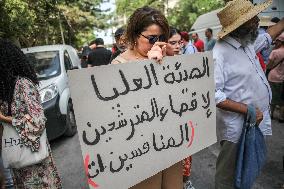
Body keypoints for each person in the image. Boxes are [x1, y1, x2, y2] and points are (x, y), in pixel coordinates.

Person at [214, 0, 284, 188]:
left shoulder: (246, 44)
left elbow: (269, 36)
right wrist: (248, 110)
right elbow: (214, 95)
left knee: (245, 170)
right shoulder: (220, 53)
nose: (257, 21)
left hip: (252, 123)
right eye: (253, 20)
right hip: (236, 128)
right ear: (240, 27)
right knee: (227, 176)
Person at [112, 6, 183, 189]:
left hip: (171, 143)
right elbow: (124, 113)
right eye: (152, 39)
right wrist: (148, 68)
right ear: (135, 35)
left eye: (162, 38)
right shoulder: (118, 64)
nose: (157, 43)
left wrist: (169, 61)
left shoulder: (165, 56)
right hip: (142, 152)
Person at [0, 38, 62, 188]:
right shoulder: (4, 89)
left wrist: (4, 118)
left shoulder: (23, 85)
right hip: (18, 162)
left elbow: (38, 122)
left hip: (36, 165)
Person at [267, 33, 284, 121]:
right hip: (282, 78)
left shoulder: (275, 52)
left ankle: (271, 115)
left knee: (272, 97)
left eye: (277, 40)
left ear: (281, 42)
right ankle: (281, 117)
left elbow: (269, 65)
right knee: (282, 99)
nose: (275, 42)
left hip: (273, 77)